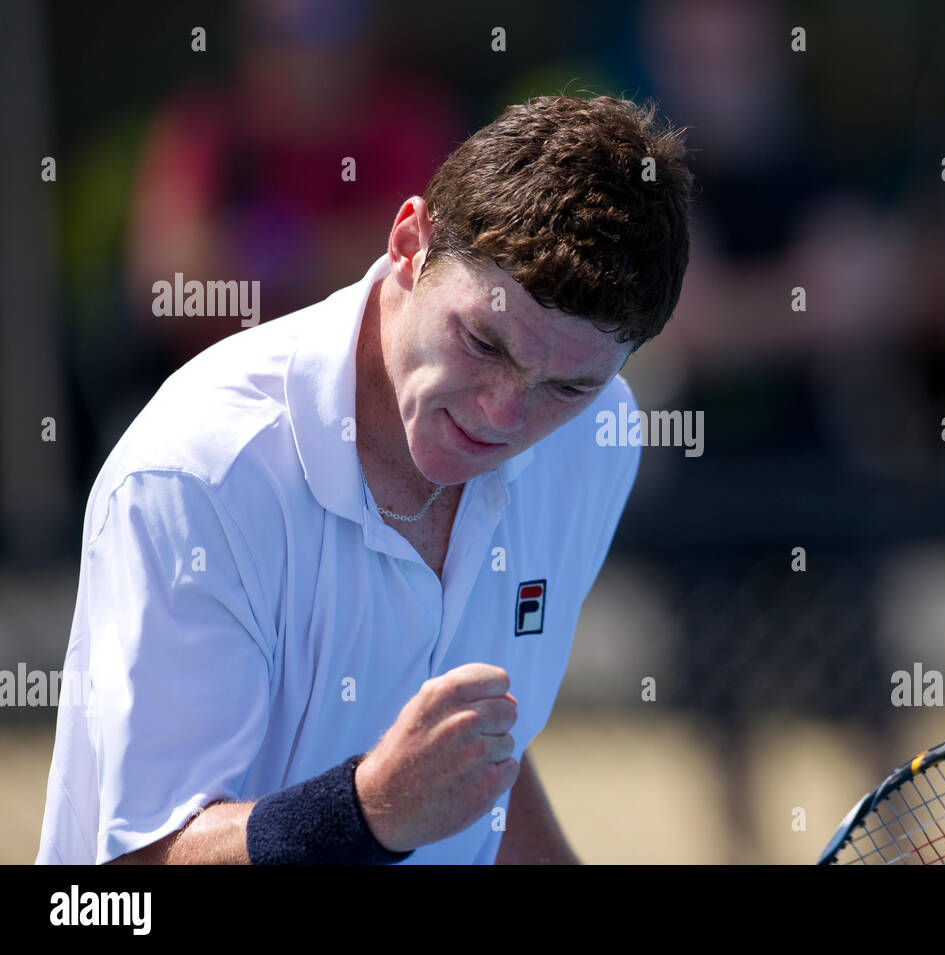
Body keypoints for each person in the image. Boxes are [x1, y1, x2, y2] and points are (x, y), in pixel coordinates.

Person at [36, 94, 693, 865]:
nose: (502, 412)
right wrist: (367, 809)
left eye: (568, 386)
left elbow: (472, 760)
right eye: (483, 340)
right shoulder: (197, 472)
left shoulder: (596, 441)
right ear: (411, 243)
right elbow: (127, 879)